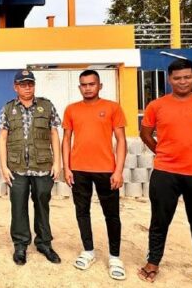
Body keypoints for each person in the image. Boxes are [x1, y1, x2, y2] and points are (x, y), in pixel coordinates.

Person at [137, 58, 192, 288]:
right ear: (170, 80)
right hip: (165, 173)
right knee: (159, 221)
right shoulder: (157, 105)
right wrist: (161, 152)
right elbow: (145, 133)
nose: (182, 81)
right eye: (177, 78)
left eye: (187, 77)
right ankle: (152, 263)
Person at [62, 69, 127, 280]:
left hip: (106, 170)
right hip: (79, 169)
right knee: (82, 211)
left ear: (100, 86)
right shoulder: (71, 110)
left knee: (112, 215)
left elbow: (121, 140)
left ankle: (115, 257)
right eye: (84, 84)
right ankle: (88, 251)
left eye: (91, 84)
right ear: (79, 87)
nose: (87, 88)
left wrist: (118, 170)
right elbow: (66, 140)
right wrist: (66, 167)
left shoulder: (112, 108)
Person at [0, 69, 62, 266]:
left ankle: (44, 243)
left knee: (42, 204)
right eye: (23, 84)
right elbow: (2, 138)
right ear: (15, 87)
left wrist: (58, 162)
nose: (27, 87)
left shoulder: (47, 106)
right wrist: (3, 167)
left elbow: (54, 134)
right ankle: (20, 244)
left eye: (30, 84)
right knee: (18, 206)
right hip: (17, 168)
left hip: (42, 166)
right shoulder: (8, 109)